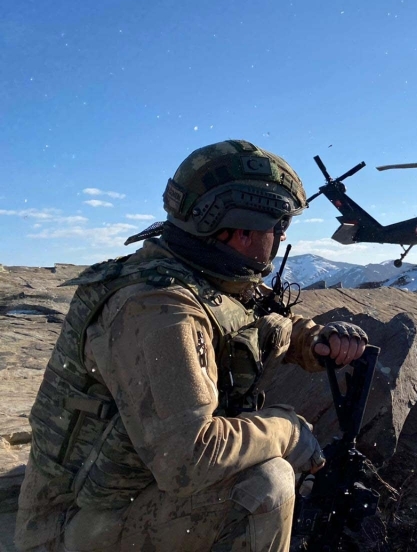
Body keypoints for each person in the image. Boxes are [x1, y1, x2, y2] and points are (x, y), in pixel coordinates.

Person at [15, 140, 368, 551]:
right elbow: (189, 459)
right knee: (266, 486)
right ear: (238, 230)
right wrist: (287, 431)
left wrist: (315, 340)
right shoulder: (158, 307)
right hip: (71, 527)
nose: (282, 236)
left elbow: (255, 325)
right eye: (277, 225)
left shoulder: (205, 273)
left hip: (129, 495)